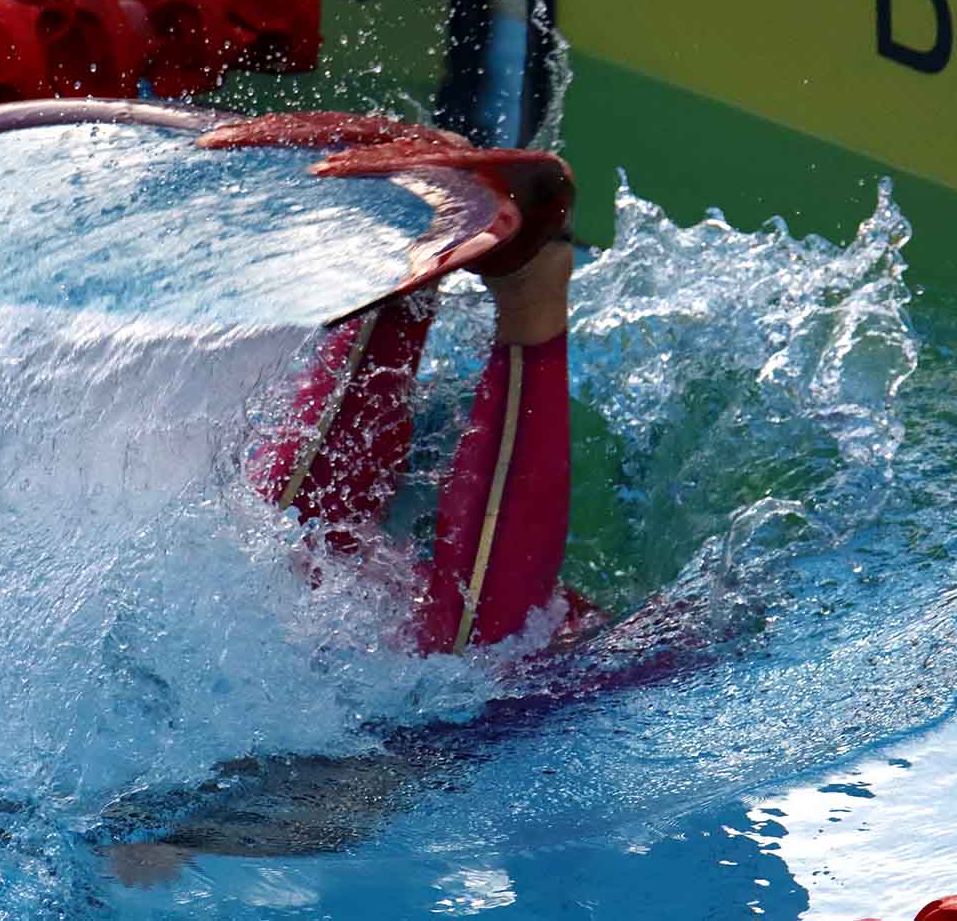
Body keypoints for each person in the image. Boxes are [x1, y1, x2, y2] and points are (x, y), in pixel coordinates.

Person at [98, 113, 618, 888]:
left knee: (277, 544)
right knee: (468, 670)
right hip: (550, 663)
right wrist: (186, 841)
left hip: (358, 671)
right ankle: (530, 285)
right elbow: (351, 810)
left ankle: (412, 267)